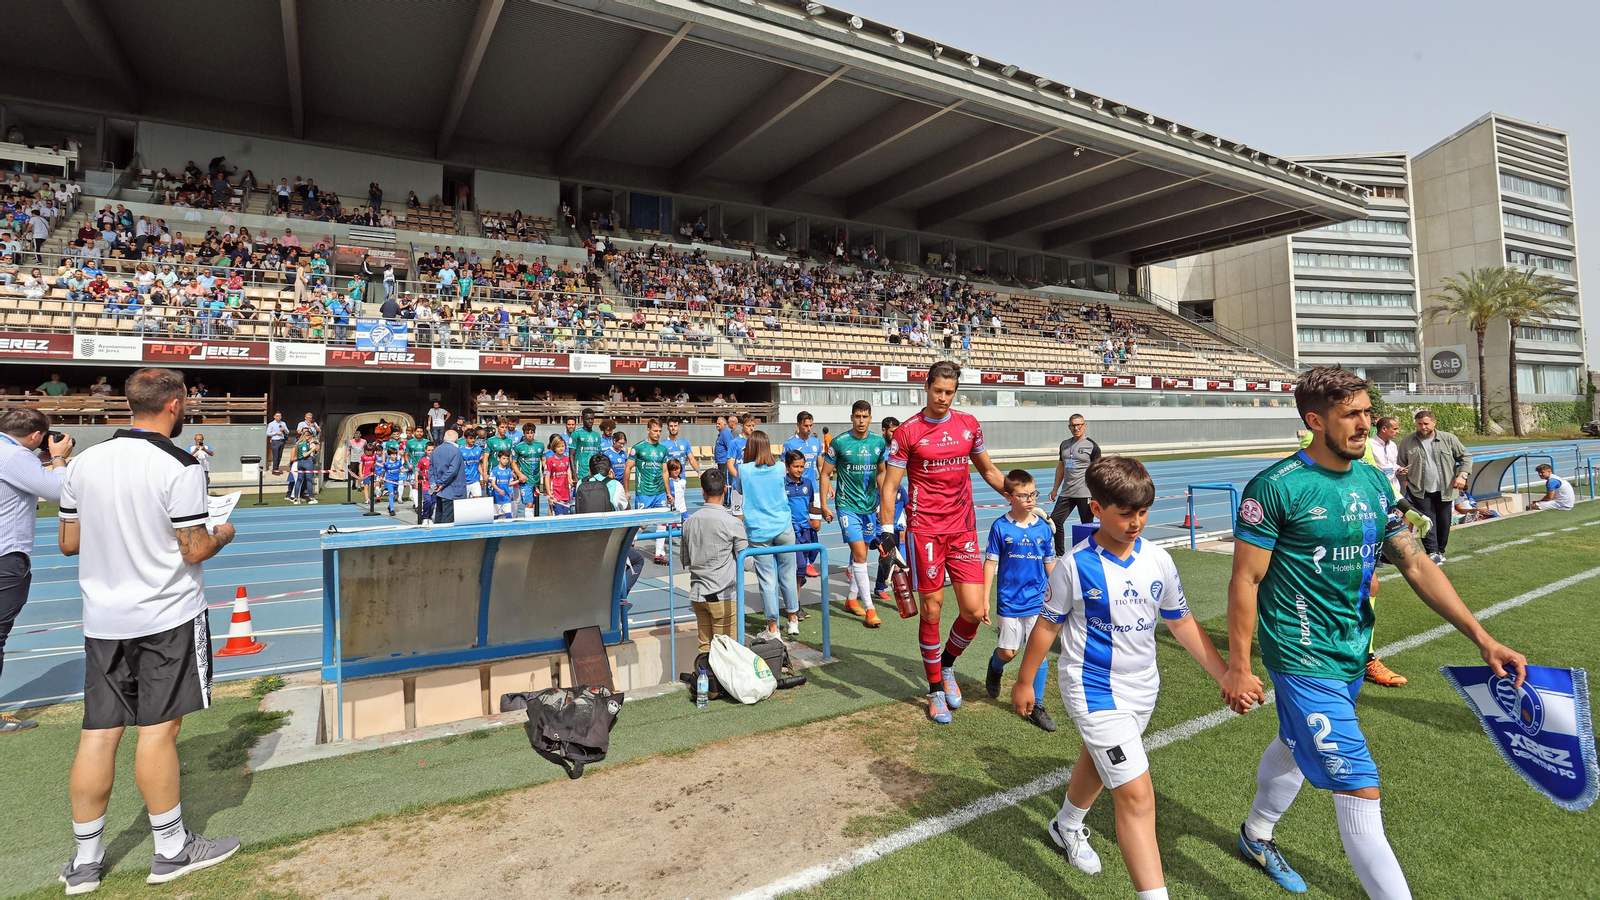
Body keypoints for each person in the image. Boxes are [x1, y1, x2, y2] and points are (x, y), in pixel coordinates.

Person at [1221, 366, 1525, 898]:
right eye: (1351, 415)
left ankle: (1255, 834)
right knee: (1361, 789)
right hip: (1300, 656)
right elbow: (1245, 579)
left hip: (1351, 649)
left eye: (1366, 411)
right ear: (1315, 420)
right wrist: (1240, 666)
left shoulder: (1371, 480)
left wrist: (1483, 637)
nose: (1365, 424)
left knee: (1293, 743)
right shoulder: (1274, 488)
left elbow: (1415, 564)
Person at [1014, 457, 1247, 900]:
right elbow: (1047, 625)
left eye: (1143, 512)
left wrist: (1229, 674)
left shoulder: (1159, 560)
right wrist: (1026, 681)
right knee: (1137, 796)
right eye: (1126, 513)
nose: (1136, 522)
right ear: (1097, 509)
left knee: (1100, 760)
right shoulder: (1072, 566)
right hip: (1092, 687)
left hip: (1143, 687)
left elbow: (1181, 622)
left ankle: (1065, 825)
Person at [57, 367, 242, 893]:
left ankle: (85, 861)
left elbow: (69, 543)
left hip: (103, 617)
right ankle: (170, 848)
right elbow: (194, 548)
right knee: (159, 730)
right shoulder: (181, 465)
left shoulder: (84, 462)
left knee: (98, 731)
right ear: (176, 405)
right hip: (165, 614)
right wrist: (223, 532)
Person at [878, 361, 1007, 724]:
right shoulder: (908, 432)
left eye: (950, 393)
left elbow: (989, 471)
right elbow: (889, 487)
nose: (944, 399)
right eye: (938, 391)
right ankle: (935, 690)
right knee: (932, 610)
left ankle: (946, 666)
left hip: (963, 528)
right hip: (925, 531)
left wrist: (1020, 497)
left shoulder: (969, 425)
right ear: (927, 387)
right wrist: (888, 531)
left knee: (972, 610)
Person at [0, 408, 73, 734]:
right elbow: (59, 492)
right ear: (35, 436)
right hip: (5, 556)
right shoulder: (16, 456)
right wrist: (58, 459)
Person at [982, 469, 1057, 731]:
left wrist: (1062, 593)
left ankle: (1037, 706)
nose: (1030, 500)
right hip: (1010, 601)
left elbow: (1050, 565)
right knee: (1009, 652)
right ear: (1008, 497)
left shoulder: (1043, 529)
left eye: (1033, 494)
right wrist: (985, 599)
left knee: (1040, 654)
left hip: (1038, 601)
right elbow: (991, 563)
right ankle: (995, 666)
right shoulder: (1000, 527)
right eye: (1023, 495)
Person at [817, 400, 887, 628]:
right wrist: (825, 505)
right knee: (860, 555)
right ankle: (870, 609)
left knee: (863, 555)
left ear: (870, 418)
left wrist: (883, 503)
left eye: (865, 417)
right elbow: (825, 473)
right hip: (847, 505)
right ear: (852, 417)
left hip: (869, 507)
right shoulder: (839, 443)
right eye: (857, 416)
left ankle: (850, 599)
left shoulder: (878, 443)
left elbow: (882, 472)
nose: (861, 420)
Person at [739, 431, 801, 638]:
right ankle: (793, 619)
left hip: (759, 530)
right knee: (788, 574)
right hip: (782, 525)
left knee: (767, 579)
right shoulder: (781, 467)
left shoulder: (744, 469)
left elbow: (740, 490)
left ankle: (773, 627)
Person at [681, 468, 747, 654]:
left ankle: (706, 682)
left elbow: (685, 560)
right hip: (723, 595)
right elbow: (747, 563)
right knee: (727, 651)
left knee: (705, 649)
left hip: (698, 594)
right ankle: (719, 684)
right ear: (725, 490)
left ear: (702, 491)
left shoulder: (689, 522)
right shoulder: (733, 523)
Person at [1397, 409, 1471, 563]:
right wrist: (1405, 483)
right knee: (1426, 521)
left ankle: (1440, 550)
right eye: (1419, 424)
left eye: (1426, 424)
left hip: (1445, 489)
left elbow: (1466, 457)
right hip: (1419, 489)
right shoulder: (1408, 441)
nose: (1423, 427)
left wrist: (1462, 475)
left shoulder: (1449, 439)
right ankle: (1432, 552)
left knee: (1444, 522)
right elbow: (1400, 464)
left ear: (1434, 423)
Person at [1047, 414, 1101, 555]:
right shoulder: (1064, 444)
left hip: (1085, 493)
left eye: (1079, 425)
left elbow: (1098, 471)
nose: (1076, 428)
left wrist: (1097, 493)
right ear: (1069, 427)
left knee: (1087, 525)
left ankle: (1088, 553)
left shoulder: (1092, 446)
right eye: (1073, 425)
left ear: (1085, 425)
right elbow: (1061, 468)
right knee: (1055, 521)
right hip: (1066, 492)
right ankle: (1060, 554)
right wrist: (1055, 489)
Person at [782, 411, 824, 577]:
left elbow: (820, 466)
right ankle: (801, 561)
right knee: (797, 525)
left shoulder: (815, 442)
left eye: (810, 425)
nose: (808, 428)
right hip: (796, 492)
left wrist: (826, 484)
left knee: (815, 526)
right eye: (805, 426)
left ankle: (807, 561)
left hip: (812, 490)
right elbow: (785, 465)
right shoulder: (790, 444)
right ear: (798, 425)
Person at [627, 419, 671, 556]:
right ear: (648, 430)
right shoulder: (638, 447)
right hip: (644, 492)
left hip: (660, 492)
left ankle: (659, 553)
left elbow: (665, 471)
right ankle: (629, 540)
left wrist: (668, 492)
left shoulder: (663, 449)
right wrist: (626, 490)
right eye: (655, 431)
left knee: (662, 522)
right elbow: (627, 468)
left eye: (659, 431)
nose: (658, 434)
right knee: (643, 524)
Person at [783, 450, 821, 599]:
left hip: (806, 531)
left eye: (802, 466)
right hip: (792, 531)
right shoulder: (783, 485)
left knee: (801, 569)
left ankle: (795, 603)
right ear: (787, 466)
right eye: (795, 466)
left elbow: (810, 506)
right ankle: (794, 605)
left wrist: (823, 512)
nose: (799, 470)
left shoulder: (808, 483)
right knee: (799, 567)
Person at [427, 429, 466, 524]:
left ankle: (437, 536)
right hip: (452, 489)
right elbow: (452, 471)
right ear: (456, 439)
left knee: (439, 514)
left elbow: (431, 469)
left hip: (439, 490)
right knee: (448, 518)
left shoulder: (436, 450)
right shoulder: (456, 451)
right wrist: (441, 483)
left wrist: (434, 484)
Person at [724, 414, 754, 516]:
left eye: (753, 425)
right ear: (742, 426)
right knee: (738, 516)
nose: (751, 428)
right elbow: (730, 465)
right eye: (748, 425)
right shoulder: (735, 442)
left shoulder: (755, 442)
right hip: (738, 487)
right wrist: (740, 478)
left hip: (752, 486)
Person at [513, 426, 544, 519]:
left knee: (535, 504)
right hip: (525, 480)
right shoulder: (518, 447)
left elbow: (543, 460)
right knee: (529, 504)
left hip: (536, 479)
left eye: (531, 432)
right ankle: (529, 526)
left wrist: (545, 472)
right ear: (524, 433)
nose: (530, 435)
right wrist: (520, 474)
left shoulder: (540, 445)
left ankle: (535, 524)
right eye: (527, 433)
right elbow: (513, 463)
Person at [569, 408, 606, 481]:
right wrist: (574, 474)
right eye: (588, 419)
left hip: (595, 471)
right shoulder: (576, 434)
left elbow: (598, 454)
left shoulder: (597, 435)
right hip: (581, 472)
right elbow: (571, 455)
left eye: (592, 419)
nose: (590, 421)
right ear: (582, 419)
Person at [1369, 416, 1402, 493]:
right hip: (1378, 489)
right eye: (1395, 429)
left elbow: (1393, 464)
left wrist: (1399, 469)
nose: (1398, 432)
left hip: (1394, 488)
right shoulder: (1369, 445)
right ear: (1384, 429)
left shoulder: (1392, 445)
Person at [543, 433, 573, 515]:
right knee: (559, 516)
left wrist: (570, 481)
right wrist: (549, 496)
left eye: (563, 446)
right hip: (555, 493)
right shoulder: (550, 460)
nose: (561, 448)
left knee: (566, 517)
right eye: (558, 446)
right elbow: (547, 477)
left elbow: (568, 470)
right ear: (554, 448)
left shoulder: (567, 459)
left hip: (566, 493)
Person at [288, 428, 318, 504]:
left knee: (299, 480)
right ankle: (311, 498)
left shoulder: (298, 443)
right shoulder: (304, 444)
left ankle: (296, 498)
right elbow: (305, 454)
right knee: (309, 480)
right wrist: (312, 449)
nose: (310, 438)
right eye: (310, 437)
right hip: (306, 462)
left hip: (300, 463)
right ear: (306, 436)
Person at [489, 450, 519, 520]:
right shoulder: (495, 470)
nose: (506, 460)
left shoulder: (508, 470)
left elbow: (509, 483)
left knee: (509, 515)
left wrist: (518, 481)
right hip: (497, 497)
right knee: (495, 517)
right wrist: (499, 490)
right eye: (504, 458)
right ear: (498, 459)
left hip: (506, 497)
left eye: (507, 459)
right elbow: (493, 484)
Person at [458, 429, 486, 498]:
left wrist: (483, 475)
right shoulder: (460, 450)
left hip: (475, 480)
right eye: (470, 438)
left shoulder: (478, 449)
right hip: (464, 481)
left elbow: (478, 463)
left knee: (478, 500)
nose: (473, 440)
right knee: (464, 502)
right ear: (465, 438)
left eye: (474, 438)